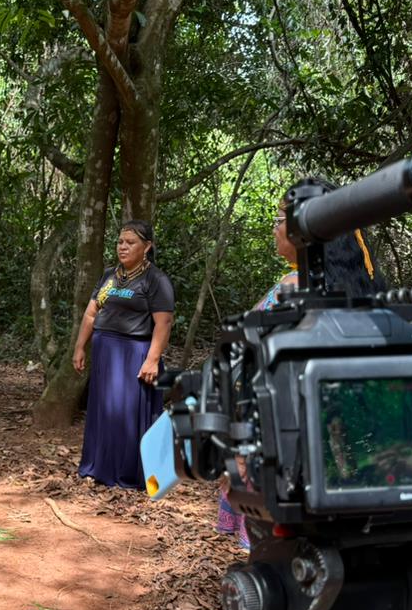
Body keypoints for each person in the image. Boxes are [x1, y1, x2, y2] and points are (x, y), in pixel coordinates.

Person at [215, 191, 387, 547]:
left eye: (279, 221)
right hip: (340, 444)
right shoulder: (362, 292)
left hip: (281, 437)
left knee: (277, 549)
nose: (275, 229)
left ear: (306, 232)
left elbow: (251, 362)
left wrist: (240, 444)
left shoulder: (293, 291)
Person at [73, 220, 175, 489]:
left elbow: (164, 323)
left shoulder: (156, 280)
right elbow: (91, 313)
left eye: (130, 242)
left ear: (147, 247)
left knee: (128, 413)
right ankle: (101, 467)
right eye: (120, 242)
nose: (123, 247)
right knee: (105, 410)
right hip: (106, 354)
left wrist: (152, 359)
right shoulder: (110, 276)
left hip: (135, 354)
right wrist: (80, 346)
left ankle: (130, 471)